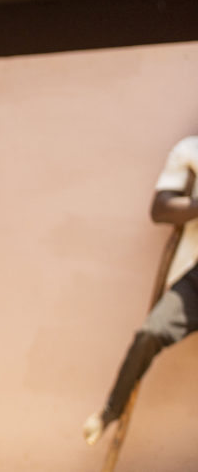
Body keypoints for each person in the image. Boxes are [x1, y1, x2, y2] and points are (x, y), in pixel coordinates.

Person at [84, 134, 198, 445]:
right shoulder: (191, 150)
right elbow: (161, 209)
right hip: (194, 275)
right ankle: (110, 412)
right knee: (150, 332)